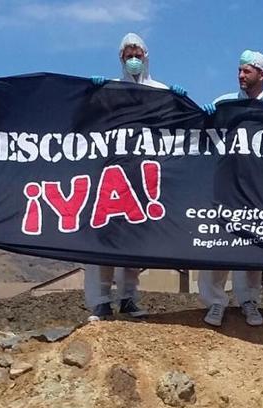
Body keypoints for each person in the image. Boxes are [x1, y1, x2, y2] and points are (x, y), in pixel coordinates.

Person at [86, 32, 186, 321]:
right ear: (120, 58)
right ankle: (100, 301)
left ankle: (129, 297)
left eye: (137, 54)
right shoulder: (111, 90)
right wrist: (90, 94)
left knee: (133, 237)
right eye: (128, 54)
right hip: (111, 174)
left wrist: (180, 102)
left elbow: (175, 124)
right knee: (103, 236)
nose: (133, 59)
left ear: (146, 57)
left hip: (143, 175)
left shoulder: (159, 90)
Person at [199, 49, 263, 327]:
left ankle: (248, 301)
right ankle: (215, 302)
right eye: (239, 70)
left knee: (252, 249)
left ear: (262, 74)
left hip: (257, 191)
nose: (240, 75)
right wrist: (202, 117)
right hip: (225, 189)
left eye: (246, 71)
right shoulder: (224, 104)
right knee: (218, 245)